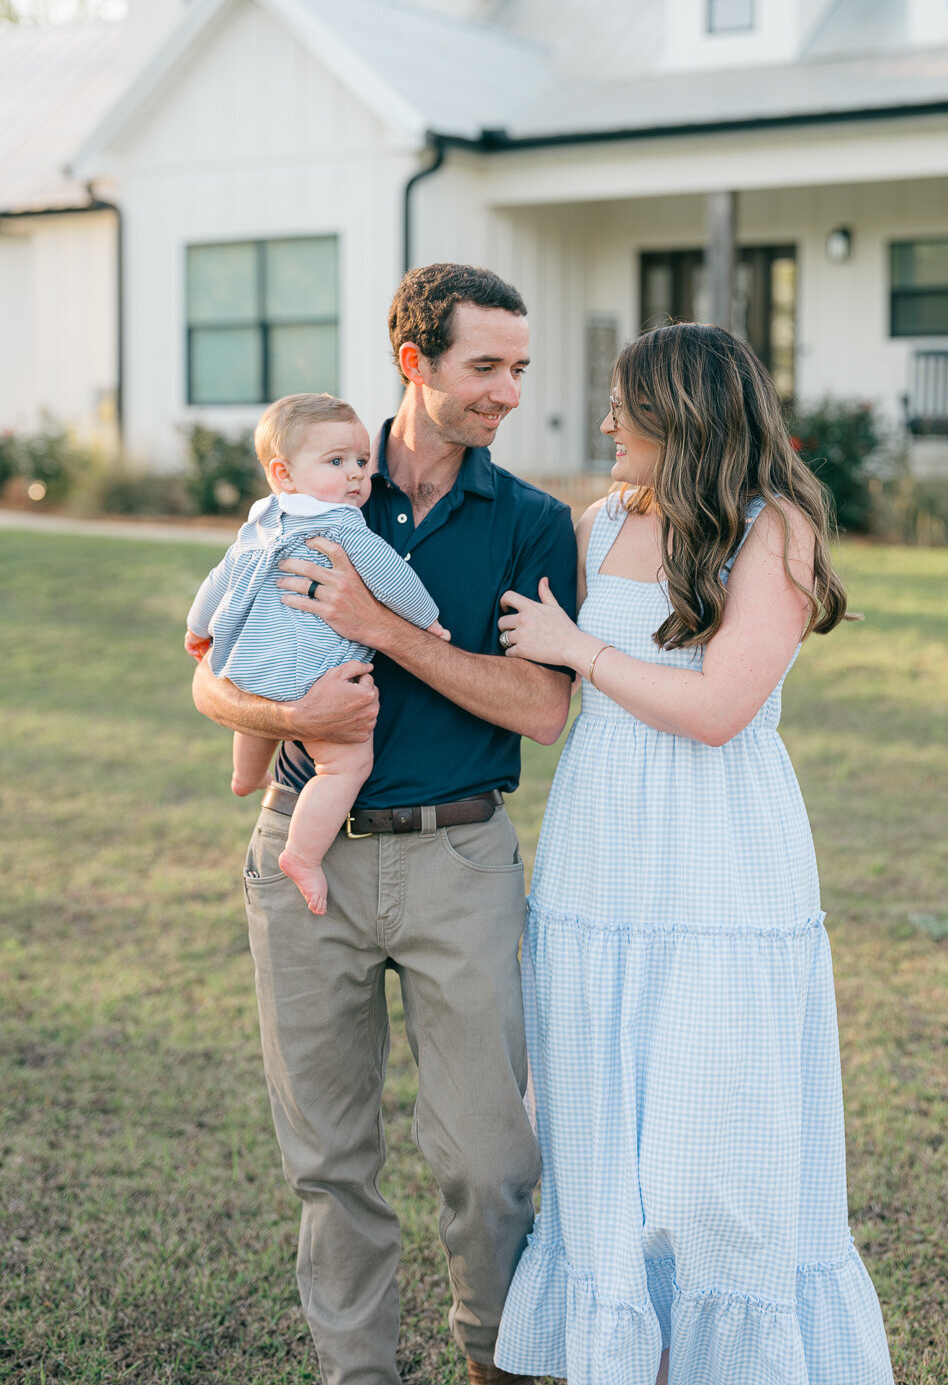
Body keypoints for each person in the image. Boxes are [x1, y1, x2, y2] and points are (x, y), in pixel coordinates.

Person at [189, 264, 576, 1385]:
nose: (508, 391)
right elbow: (211, 675)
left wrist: (384, 629)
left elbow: (543, 710)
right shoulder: (309, 490)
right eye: (484, 367)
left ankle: (495, 1363)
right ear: (417, 362)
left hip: (461, 858)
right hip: (301, 856)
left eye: (519, 368)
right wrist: (286, 712)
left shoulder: (531, 522)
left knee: (493, 1160)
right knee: (329, 1161)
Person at [492, 321, 894, 1385]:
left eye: (628, 404)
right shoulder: (593, 525)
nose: (609, 421)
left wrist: (581, 647)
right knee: (598, 1115)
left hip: (718, 853)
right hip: (600, 848)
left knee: (710, 1133)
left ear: (687, 416)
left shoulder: (775, 532)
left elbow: (720, 707)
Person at [185, 392, 448, 916]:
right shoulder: (344, 528)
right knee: (344, 765)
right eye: (336, 462)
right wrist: (428, 621)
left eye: (360, 462)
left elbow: (219, 580)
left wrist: (197, 628)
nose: (355, 476)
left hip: (251, 664)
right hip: (315, 678)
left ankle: (244, 776)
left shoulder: (261, 524)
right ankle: (303, 855)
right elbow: (394, 579)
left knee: (255, 710)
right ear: (283, 472)